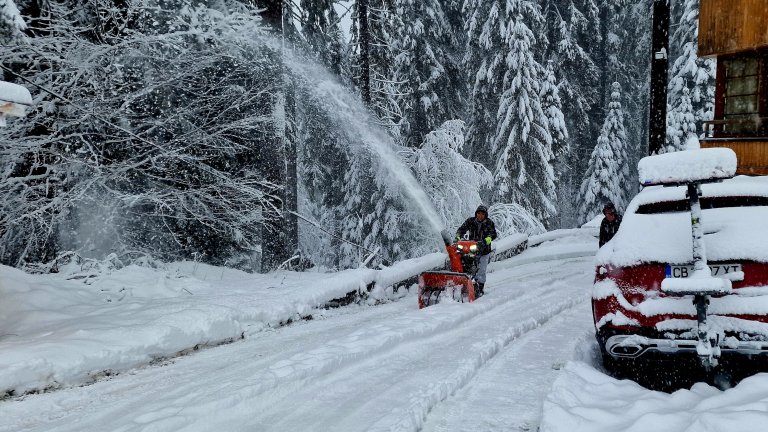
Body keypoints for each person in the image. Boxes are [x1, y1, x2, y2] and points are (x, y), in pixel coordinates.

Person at [455, 205, 497, 297]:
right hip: (471, 248)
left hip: (484, 250)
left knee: (481, 269)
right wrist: (458, 237)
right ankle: (463, 283)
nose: (480, 215)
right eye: (479, 213)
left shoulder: (489, 223)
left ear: (485, 215)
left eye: (482, 214)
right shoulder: (471, 221)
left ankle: (480, 288)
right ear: (476, 213)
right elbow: (462, 229)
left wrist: (486, 240)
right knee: (465, 265)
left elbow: (493, 234)